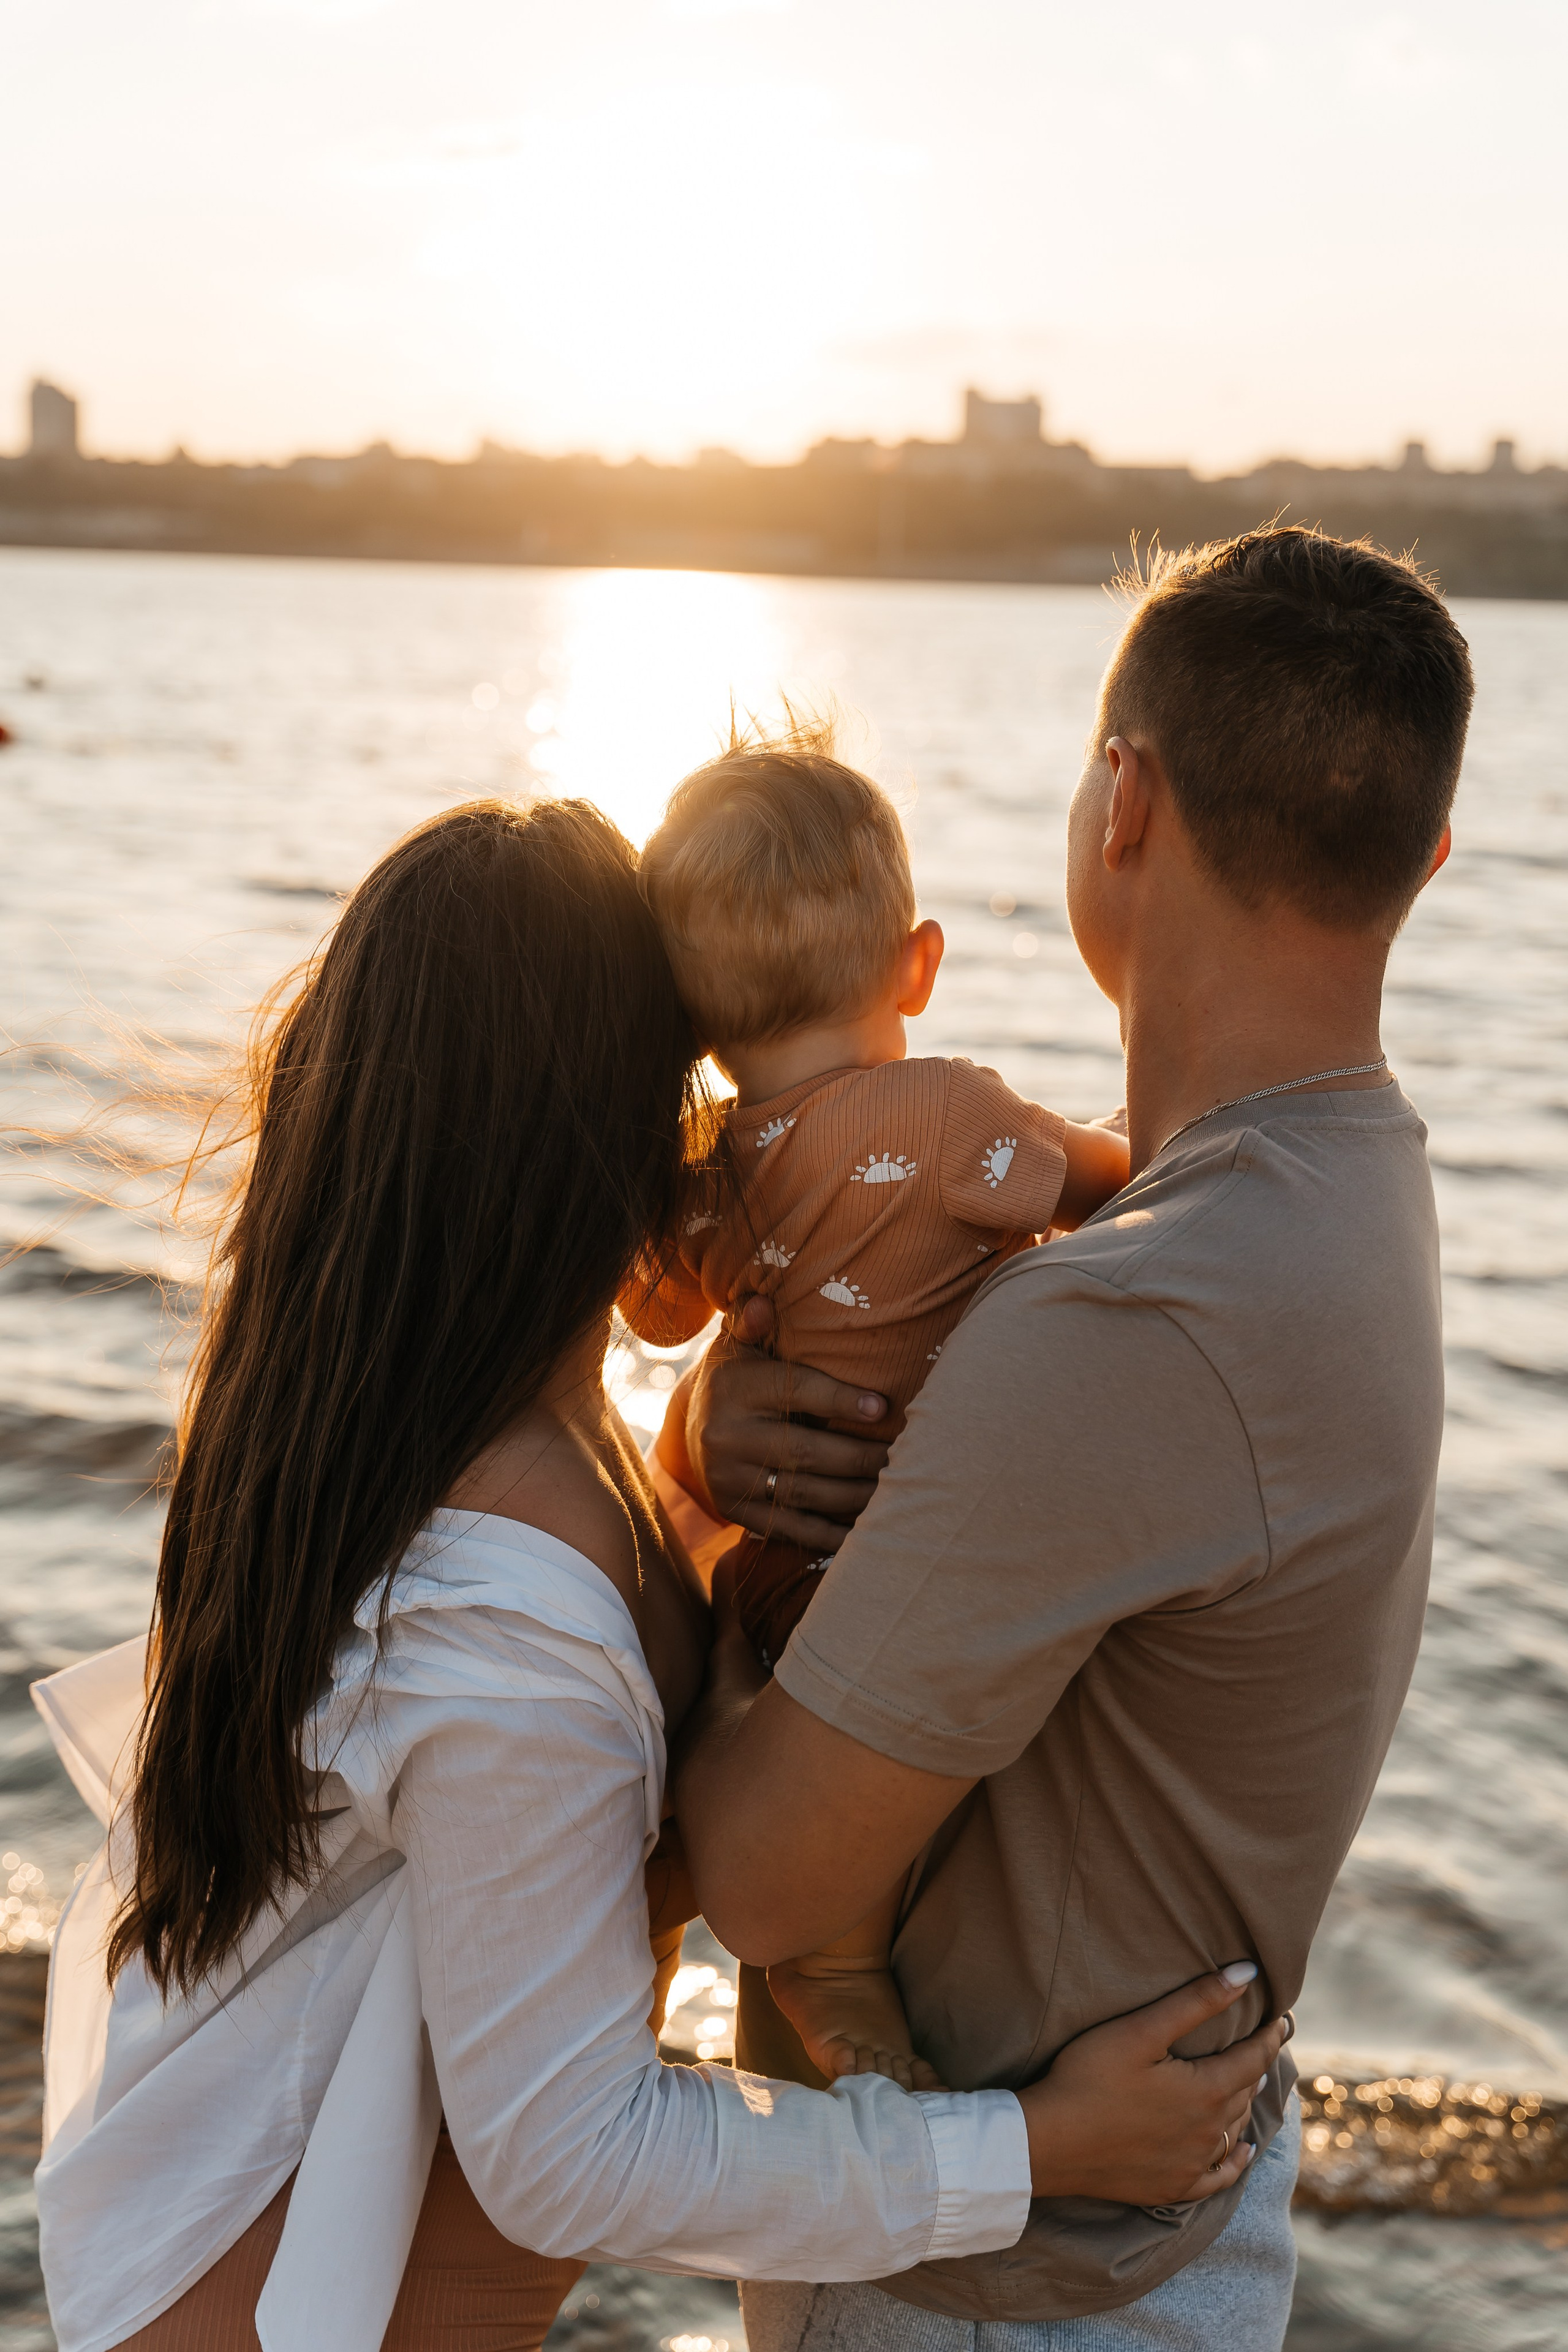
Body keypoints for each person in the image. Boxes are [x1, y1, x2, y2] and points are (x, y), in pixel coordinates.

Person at [31, 797, 1280, 2352]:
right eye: (702, 1088)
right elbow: (570, 2155)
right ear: (619, 1141)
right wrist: (1031, 2152)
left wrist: (697, 1444)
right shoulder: (499, 1624)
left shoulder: (422, 1439)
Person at [668, 527, 1475, 2350]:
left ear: (1125, 801)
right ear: (1422, 859)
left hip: (994, 2289)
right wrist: (712, 1426)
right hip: (1148, 2235)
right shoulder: (1349, 1189)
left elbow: (765, 1881)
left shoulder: (1130, 1317)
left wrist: (705, 1534)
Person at [626, 723, 1128, 2087]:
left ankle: (822, 1970)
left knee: (820, 1754)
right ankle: (836, 1974)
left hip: (778, 1570)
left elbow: (651, 1313)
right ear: (919, 962)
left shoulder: (712, 1174)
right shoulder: (952, 1114)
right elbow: (1113, 1188)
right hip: (905, 1559)